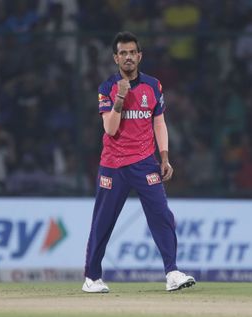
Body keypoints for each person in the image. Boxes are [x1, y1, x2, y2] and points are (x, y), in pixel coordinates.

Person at [82, 31, 196, 293]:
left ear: (140, 56)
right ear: (115, 58)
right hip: (113, 164)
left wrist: (164, 156)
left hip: (145, 162)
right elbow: (110, 129)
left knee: (162, 215)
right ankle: (92, 277)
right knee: (103, 221)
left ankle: (172, 273)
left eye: (132, 52)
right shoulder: (107, 87)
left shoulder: (153, 86)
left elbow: (158, 121)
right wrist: (120, 99)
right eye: (123, 53)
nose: (128, 57)